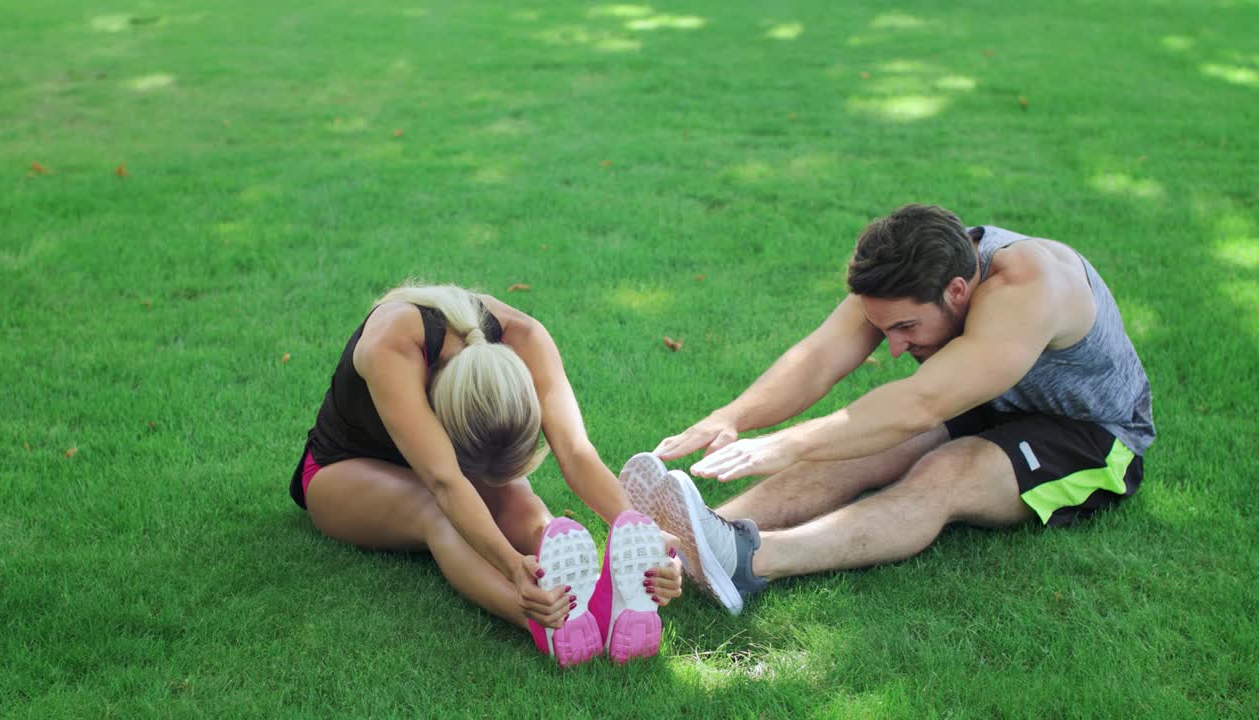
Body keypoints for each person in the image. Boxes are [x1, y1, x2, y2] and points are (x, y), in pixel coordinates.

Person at [622, 204, 1155, 614]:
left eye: (905, 328)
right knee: (858, 448)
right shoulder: (902, 278)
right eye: (883, 330)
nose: (894, 348)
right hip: (989, 394)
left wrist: (781, 444)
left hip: (1092, 434)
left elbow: (921, 403)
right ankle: (694, 541)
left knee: (947, 470)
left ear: (958, 290)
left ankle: (750, 561)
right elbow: (818, 359)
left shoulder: (1028, 288)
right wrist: (733, 417)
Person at [289, 282, 682, 664]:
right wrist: (512, 566)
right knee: (438, 511)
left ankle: (588, 596)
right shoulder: (391, 346)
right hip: (338, 472)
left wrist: (643, 535)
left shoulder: (525, 337)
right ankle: (537, 619)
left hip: (449, 468)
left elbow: (576, 452)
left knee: (522, 502)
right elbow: (445, 482)